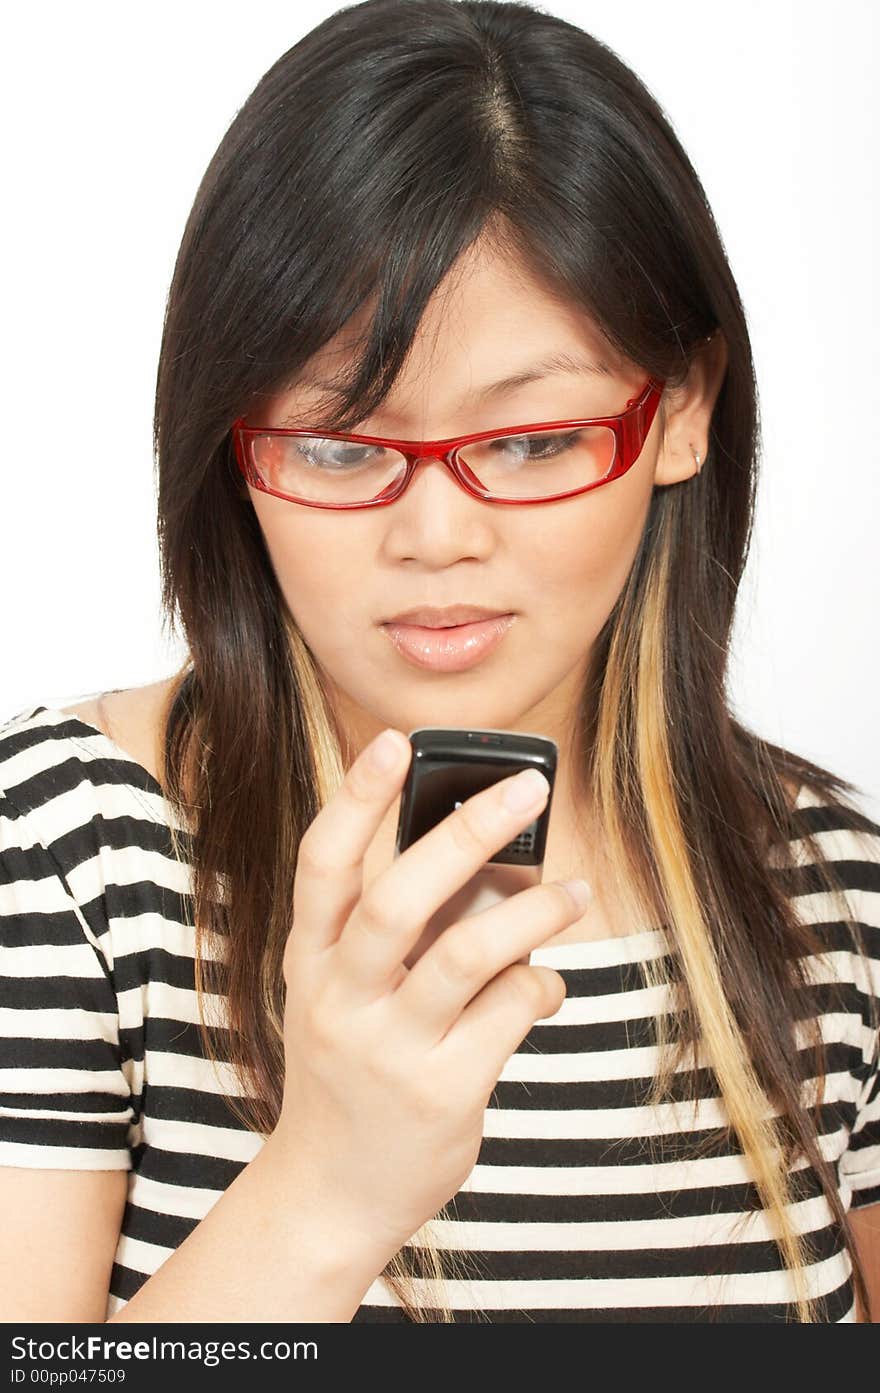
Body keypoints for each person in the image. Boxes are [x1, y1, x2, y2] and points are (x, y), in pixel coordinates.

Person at [1, 0, 878, 1325]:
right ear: (231, 452)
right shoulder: (65, 851)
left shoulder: (834, 895)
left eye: (529, 440)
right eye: (344, 446)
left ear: (684, 409)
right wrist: (329, 1183)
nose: (437, 537)